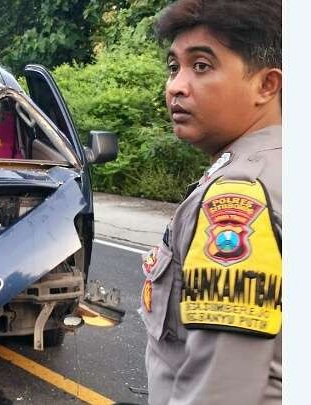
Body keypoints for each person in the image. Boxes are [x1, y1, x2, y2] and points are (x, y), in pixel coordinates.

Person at [140, 1, 282, 403]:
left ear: (266, 85)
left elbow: (222, 389)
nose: (175, 86)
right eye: (174, 67)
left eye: (201, 66)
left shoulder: (239, 196)